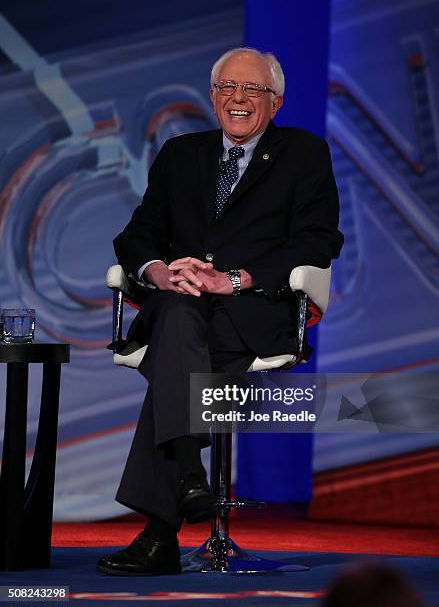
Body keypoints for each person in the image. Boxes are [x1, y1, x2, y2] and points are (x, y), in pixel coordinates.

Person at [97, 47, 343, 576]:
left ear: (274, 102)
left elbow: (318, 240)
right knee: (180, 317)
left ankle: (166, 523)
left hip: (252, 312)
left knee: (177, 341)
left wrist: (232, 279)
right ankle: (188, 478)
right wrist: (159, 271)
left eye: (252, 90)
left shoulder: (304, 153)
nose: (238, 98)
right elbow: (138, 233)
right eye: (228, 88)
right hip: (177, 305)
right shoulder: (180, 154)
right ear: (212, 97)